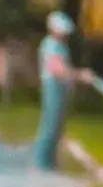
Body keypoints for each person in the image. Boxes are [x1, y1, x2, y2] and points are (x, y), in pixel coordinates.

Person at [34, 11, 94, 170]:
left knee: (57, 128)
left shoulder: (60, 46)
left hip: (60, 89)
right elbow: (57, 70)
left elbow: (63, 70)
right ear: (54, 29)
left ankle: (50, 163)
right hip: (53, 87)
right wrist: (80, 75)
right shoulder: (51, 45)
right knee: (50, 127)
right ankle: (43, 164)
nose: (64, 34)